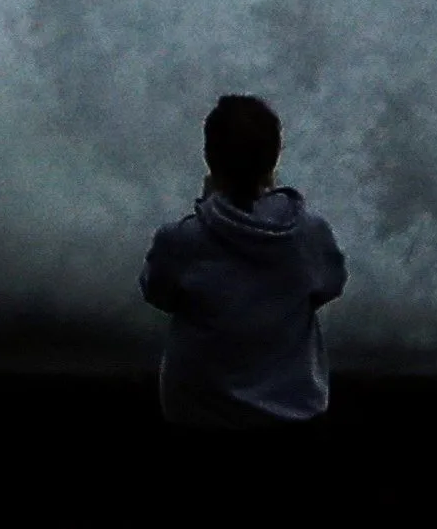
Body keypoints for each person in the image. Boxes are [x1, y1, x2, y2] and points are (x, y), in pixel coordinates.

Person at [141, 92, 345, 435]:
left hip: (198, 416)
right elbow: (330, 285)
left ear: (209, 157)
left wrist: (208, 205)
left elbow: (157, 292)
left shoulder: (182, 240)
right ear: (274, 156)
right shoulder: (307, 234)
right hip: (293, 414)